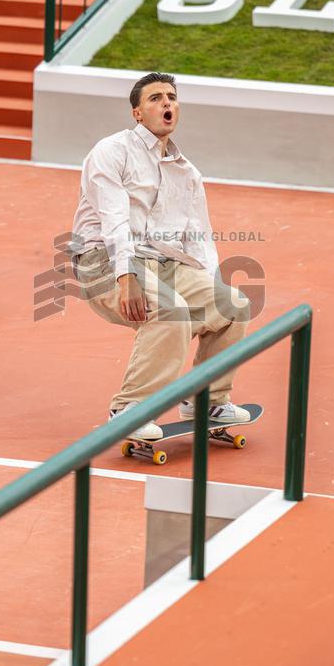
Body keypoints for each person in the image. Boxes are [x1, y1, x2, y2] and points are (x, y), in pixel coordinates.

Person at [71, 71, 251, 442]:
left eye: (171, 97)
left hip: (164, 263)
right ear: (137, 113)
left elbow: (198, 237)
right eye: (155, 98)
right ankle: (129, 411)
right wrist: (127, 277)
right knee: (170, 312)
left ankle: (206, 401)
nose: (166, 102)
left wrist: (211, 290)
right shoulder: (112, 151)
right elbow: (114, 219)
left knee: (233, 305)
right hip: (104, 261)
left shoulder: (187, 172)